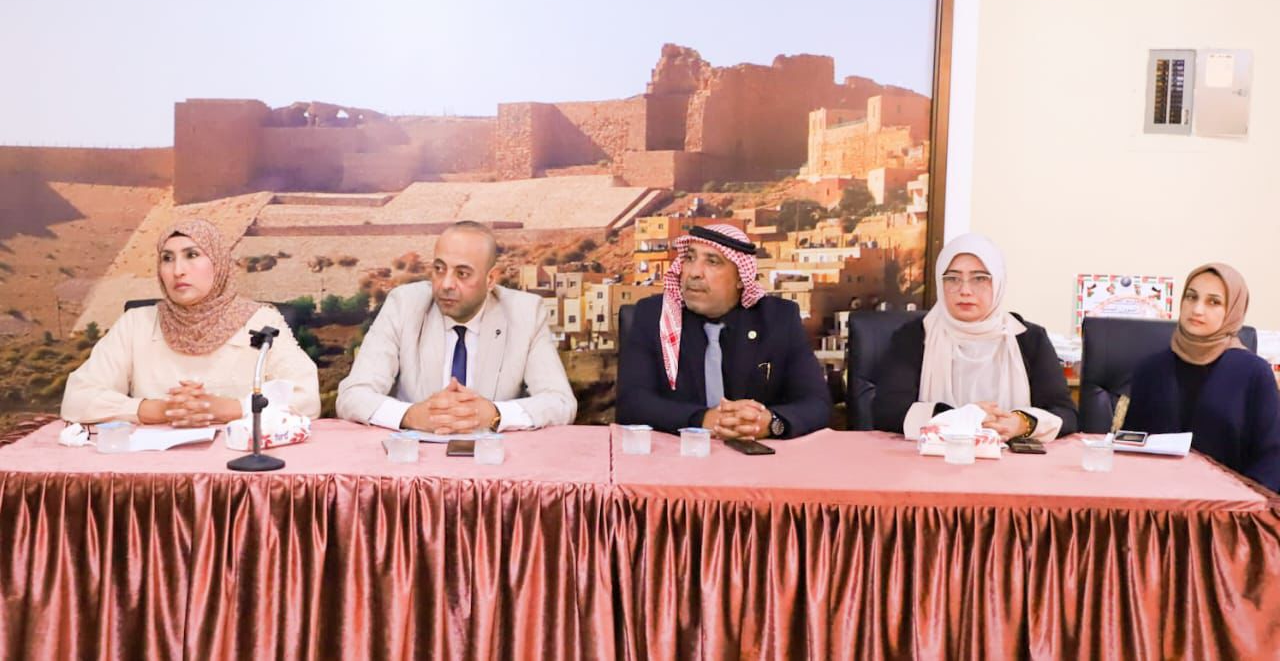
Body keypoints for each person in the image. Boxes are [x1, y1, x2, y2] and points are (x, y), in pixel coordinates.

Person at [61, 219, 320, 425]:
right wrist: (159, 410)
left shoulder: (261, 320)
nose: (178, 271)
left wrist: (228, 408)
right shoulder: (137, 323)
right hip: (152, 464)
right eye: (167, 258)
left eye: (192, 255)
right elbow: (77, 398)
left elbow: (306, 398)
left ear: (218, 263)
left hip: (238, 461)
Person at [336, 221, 576, 433]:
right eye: (439, 269)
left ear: (491, 279)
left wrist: (494, 415)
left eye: (462, 273)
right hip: (416, 458)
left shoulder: (525, 313)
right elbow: (352, 396)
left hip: (492, 460)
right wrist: (411, 416)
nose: (446, 284)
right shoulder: (404, 305)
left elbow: (560, 402)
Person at [617, 224, 830, 440]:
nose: (694, 273)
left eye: (712, 262)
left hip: (756, 454)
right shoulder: (655, 316)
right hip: (681, 453)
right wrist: (701, 420)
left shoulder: (778, 319)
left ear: (741, 278)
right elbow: (632, 403)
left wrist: (771, 423)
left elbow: (817, 403)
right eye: (689, 258)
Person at [872, 233, 1077, 440]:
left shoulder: (1029, 339)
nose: (965, 290)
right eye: (952, 278)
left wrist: (1022, 423)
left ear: (998, 282)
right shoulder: (914, 336)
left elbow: (1065, 414)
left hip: (1009, 456)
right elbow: (887, 412)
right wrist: (961, 418)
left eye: (980, 278)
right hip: (934, 455)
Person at [1126, 263, 1280, 490]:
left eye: (1213, 302)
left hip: (1229, 504)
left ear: (1233, 310)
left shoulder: (1254, 373)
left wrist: (1241, 502)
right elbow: (1130, 447)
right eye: (1191, 297)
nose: (1197, 309)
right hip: (1154, 500)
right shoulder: (1150, 370)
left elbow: (1272, 459)